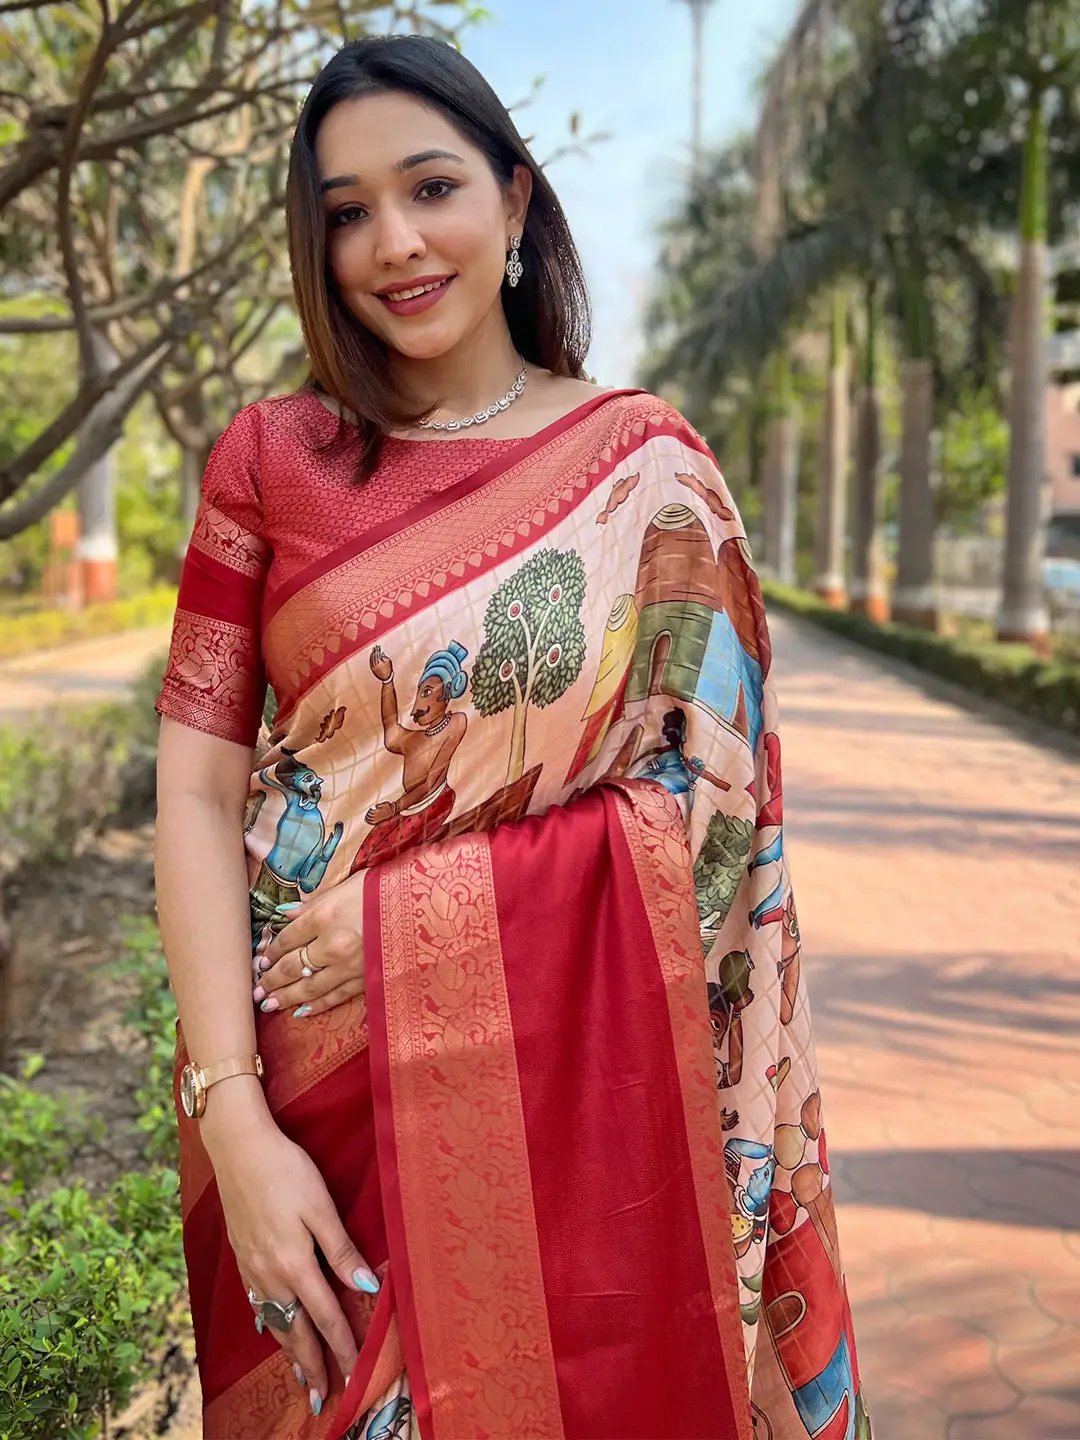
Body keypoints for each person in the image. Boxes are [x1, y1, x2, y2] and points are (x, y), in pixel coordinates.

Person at [154, 33, 871, 1440]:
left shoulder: (645, 473)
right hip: (320, 1117)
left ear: (519, 202)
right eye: (346, 211)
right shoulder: (269, 461)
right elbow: (194, 786)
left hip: (583, 1115)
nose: (394, 243)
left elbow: (715, 824)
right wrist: (233, 1121)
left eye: (432, 188)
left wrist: (417, 924)